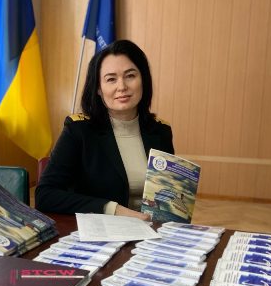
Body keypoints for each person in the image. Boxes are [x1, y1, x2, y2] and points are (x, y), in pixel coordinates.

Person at [35, 39, 174, 219]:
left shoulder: (161, 131)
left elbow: (167, 196)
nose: (122, 87)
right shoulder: (79, 130)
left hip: (151, 230)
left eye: (130, 76)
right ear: (98, 89)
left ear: (143, 80)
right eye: (111, 79)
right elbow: (45, 195)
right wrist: (113, 209)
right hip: (101, 229)